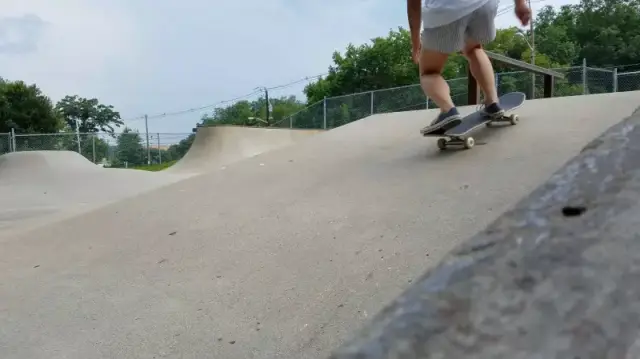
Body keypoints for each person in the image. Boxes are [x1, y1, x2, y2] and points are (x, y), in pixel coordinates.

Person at [407, 0, 532, 134]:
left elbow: (414, 4)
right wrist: (520, 4)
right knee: (474, 48)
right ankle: (492, 102)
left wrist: (415, 42)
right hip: (485, 5)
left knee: (429, 72)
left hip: (446, 10)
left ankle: (448, 110)